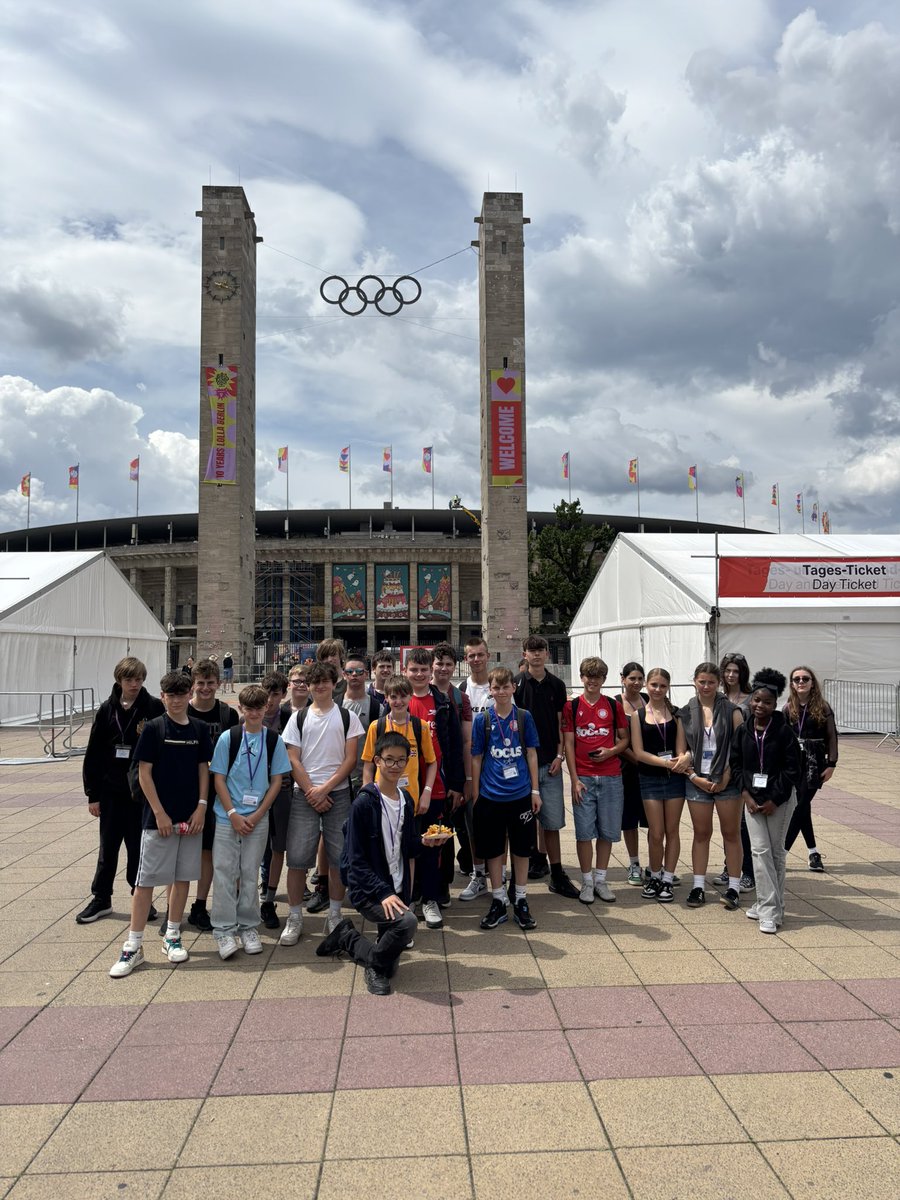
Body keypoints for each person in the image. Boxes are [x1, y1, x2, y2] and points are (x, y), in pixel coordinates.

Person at [109, 672, 211, 977]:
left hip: (191, 817)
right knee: (145, 882)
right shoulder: (153, 728)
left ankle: (172, 934)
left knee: (181, 879)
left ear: (189, 694)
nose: (177, 700)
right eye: (171, 695)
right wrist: (159, 813)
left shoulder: (199, 729)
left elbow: (203, 769)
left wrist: (202, 807)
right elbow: (144, 773)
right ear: (163, 696)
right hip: (158, 820)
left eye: (182, 695)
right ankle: (133, 945)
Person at [316, 731, 421, 995]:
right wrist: (383, 892)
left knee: (392, 965)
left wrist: (429, 842)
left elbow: (408, 847)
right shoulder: (364, 803)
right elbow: (355, 860)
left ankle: (346, 937)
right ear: (377, 760)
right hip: (370, 890)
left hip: (395, 886)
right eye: (389, 760)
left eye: (400, 760)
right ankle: (373, 968)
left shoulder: (406, 799)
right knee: (407, 924)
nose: (395, 766)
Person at [279, 662, 364, 944]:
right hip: (305, 795)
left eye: (325, 682)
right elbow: (293, 758)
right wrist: (311, 791)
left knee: (339, 858)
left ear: (333, 683)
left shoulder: (346, 716)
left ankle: (336, 914)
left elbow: (351, 758)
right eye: (315, 683)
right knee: (298, 859)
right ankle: (294, 916)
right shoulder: (299, 718)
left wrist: (325, 789)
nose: (319, 687)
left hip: (337, 794)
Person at [77, 657, 165, 924]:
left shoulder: (153, 707)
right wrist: (92, 794)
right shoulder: (106, 710)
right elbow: (93, 753)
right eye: (129, 680)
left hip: (141, 792)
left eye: (139, 679)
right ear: (119, 680)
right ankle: (101, 898)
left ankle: (141, 897)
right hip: (111, 790)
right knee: (108, 848)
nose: (135, 684)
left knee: (139, 848)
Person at [209, 684, 291, 958]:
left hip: (258, 817)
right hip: (227, 817)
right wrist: (232, 813)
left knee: (249, 872)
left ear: (266, 706)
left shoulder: (273, 739)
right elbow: (218, 778)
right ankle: (223, 929)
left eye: (260, 707)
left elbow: (277, 780)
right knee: (224, 872)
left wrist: (258, 814)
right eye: (249, 708)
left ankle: (248, 926)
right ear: (241, 709)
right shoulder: (228, 738)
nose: (255, 713)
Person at [731, 668, 800, 933]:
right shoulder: (743, 730)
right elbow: (736, 765)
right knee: (759, 852)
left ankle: (771, 906)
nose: (760, 706)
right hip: (751, 801)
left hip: (778, 801)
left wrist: (774, 799)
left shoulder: (784, 731)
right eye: (756, 700)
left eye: (767, 702)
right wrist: (746, 796)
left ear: (775, 704)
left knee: (775, 853)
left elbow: (792, 769)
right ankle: (769, 909)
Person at [472, 667, 541, 931]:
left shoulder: (524, 717)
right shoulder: (483, 720)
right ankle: (498, 899)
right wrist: (477, 793)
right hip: (491, 795)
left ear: (514, 688)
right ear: (490, 690)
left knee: (522, 849)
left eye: (505, 687)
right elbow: (477, 757)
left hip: (521, 794)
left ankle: (521, 899)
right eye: (496, 687)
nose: (501, 692)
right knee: (494, 849)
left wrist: (535, 790)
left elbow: (532, 754)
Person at [404, 647, 465, 928]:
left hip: (437, 787)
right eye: (413, 669)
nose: (418, 674)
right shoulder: (398, 701)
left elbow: (453, 746)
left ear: (431, 672)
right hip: (403, 790)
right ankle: (408, 898)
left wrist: (456, 784)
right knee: (405, 846)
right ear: (405, 671)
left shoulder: (442, 703)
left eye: (423, 670)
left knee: (432, 845)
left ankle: (430, 897)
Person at [675, 662, 744, 910]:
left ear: (719, 684)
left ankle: (734, 887)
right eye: (702, 681)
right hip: (698, 781)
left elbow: (739, 750)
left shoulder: (732, 711)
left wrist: (726, 776)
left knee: (731, 833)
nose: (706, 686)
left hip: (727, 782)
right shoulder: (685, 713)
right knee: (701, 833)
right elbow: (681, 751)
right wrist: (694, 777)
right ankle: (698, 886)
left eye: (711, 682)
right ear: (694, 681)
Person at [514, 635, 579, 898]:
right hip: (521, 764)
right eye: (532, 650)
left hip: (549, 762)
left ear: (547, 654)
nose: (537, 654)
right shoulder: (516, 684)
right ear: (525, 654)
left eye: (541, 650)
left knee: (551, 822)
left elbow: (562, 724)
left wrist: (560, 756)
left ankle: (557, 871)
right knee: (522, 821)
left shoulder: (557, 685)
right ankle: (525, 869)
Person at [562, 657, 629, 904]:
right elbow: (569, 744)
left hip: (611, 775)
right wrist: (574, 779)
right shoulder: (572, 706)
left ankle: (601, 879)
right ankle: (587, 881)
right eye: (589, 676)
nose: (593, 681)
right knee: (584, 833)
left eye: (598, 677)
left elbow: (624, 739)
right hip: (584, 778)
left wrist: (611, 751)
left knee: (607, 831)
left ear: (603, 680)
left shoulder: (612, 706)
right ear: (582, 678)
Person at [180, 659, 240, 933]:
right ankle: (174, 910)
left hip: (218, 792)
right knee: (179, 853)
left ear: (218, 683)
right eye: (200, 683)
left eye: (210, 683)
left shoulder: (227, 714)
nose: (205, 688)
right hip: (185, 790)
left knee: (208, 853)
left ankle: (199, 905)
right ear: (193, 684)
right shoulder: (182, 711)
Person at [630, 668, 687, 903]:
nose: (657, 689)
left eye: (662, 685)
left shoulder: (677, 714)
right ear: (646, 686)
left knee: (672, 830)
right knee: (656, 831)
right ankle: (654, 875)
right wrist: (665, 763)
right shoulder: (638, 715)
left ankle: (668, 878)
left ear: (668, 687)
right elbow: (639, 752)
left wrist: (680, 760)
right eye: (653, 685)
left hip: (674, 778)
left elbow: (681, 747)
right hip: (650, 777)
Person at [783, 666, 838, 872]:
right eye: (796, 679)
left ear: (812, 682)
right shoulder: (788, 708)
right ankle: (813, 853)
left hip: (815, 762)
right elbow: (783, 737)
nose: (801, 682)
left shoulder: (823, 707)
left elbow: (832, 736)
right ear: (792, 684)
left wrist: (832, 764)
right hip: (795, 762)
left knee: (801, 805)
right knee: (802, 807)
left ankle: (783, 851)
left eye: (805, 678)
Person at [361, 675, 437, 819]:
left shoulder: (420, 726)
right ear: (387, 698)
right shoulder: (377, 727)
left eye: (403, 696)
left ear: (410, 697)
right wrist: (367, 793)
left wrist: (427, 792)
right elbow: (368, 765)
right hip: (382, 800)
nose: (398, 702)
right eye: (394, 697)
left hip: (412, 802)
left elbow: (432, 762)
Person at [432, 642, 475, 877]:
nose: (444, 668)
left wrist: (466, 779)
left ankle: (469, 870)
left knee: (462, 827)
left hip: (454, 770)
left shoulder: (461, 699)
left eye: (449, 664)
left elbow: (467, 742)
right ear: (432, 666)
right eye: (439, 663)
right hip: (429, 771)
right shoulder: (421, 693)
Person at [457, 635, 495, 899]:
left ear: (488, 656)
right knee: (473, 825)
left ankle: (498, 872)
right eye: (471, 655)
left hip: (498, 767)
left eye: (480, 654)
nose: (476, 659)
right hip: (473, 767)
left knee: (498, 824)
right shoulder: (461, 690)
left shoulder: (501, 685)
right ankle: (478, 874)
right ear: (466, 659)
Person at [258, 672, 292, 929]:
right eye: (266, 693)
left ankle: (269, 898)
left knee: (278, 845)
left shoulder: (290, 719)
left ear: (283, 694)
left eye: (275, 694)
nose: (269, 700)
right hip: (254, 790)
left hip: (282, 787)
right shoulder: (248, 718)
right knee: (257, 846)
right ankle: (254, 890)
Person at [617, 662, 649, 885]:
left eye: (640, 678)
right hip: (627, 770)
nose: (636, 683)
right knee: (629, 820)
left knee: (655, 821)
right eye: (632, 678)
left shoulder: (649, 699)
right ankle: (634, 863)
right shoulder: (616, 703)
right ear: (623, 679)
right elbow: (615, 738)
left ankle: (657, 864)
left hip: (650, 770)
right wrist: (636, 758)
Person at [342, 653, 382, 796]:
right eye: (350, 672)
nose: (354, 675)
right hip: (339, 779)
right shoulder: (335, 704)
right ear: (344, 674)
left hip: (367, 778)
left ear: (366, 674)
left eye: (359, 672)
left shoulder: (377, 708)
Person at [317, 638, 348, 704]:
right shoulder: (315, 681)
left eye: (333, 655)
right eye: (325, 656)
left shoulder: (349, 679)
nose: (329, 659)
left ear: (341, 656)